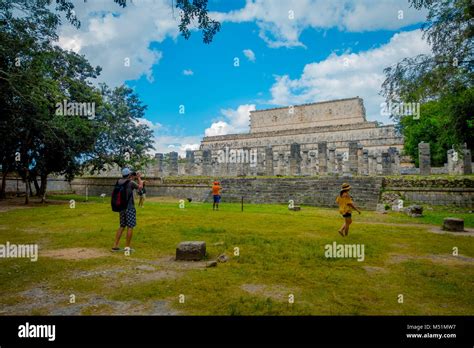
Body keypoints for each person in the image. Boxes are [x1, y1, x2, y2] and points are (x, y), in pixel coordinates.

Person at [112, 168, 143, 252]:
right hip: (129, 208)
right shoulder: (130, 182)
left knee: (122, 226)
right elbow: (140, 187)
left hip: (121, 207)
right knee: (130, 226)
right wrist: (139, 177)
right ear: (129, 175)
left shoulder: (119, 181)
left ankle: (115, 245)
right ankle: (127, 247)